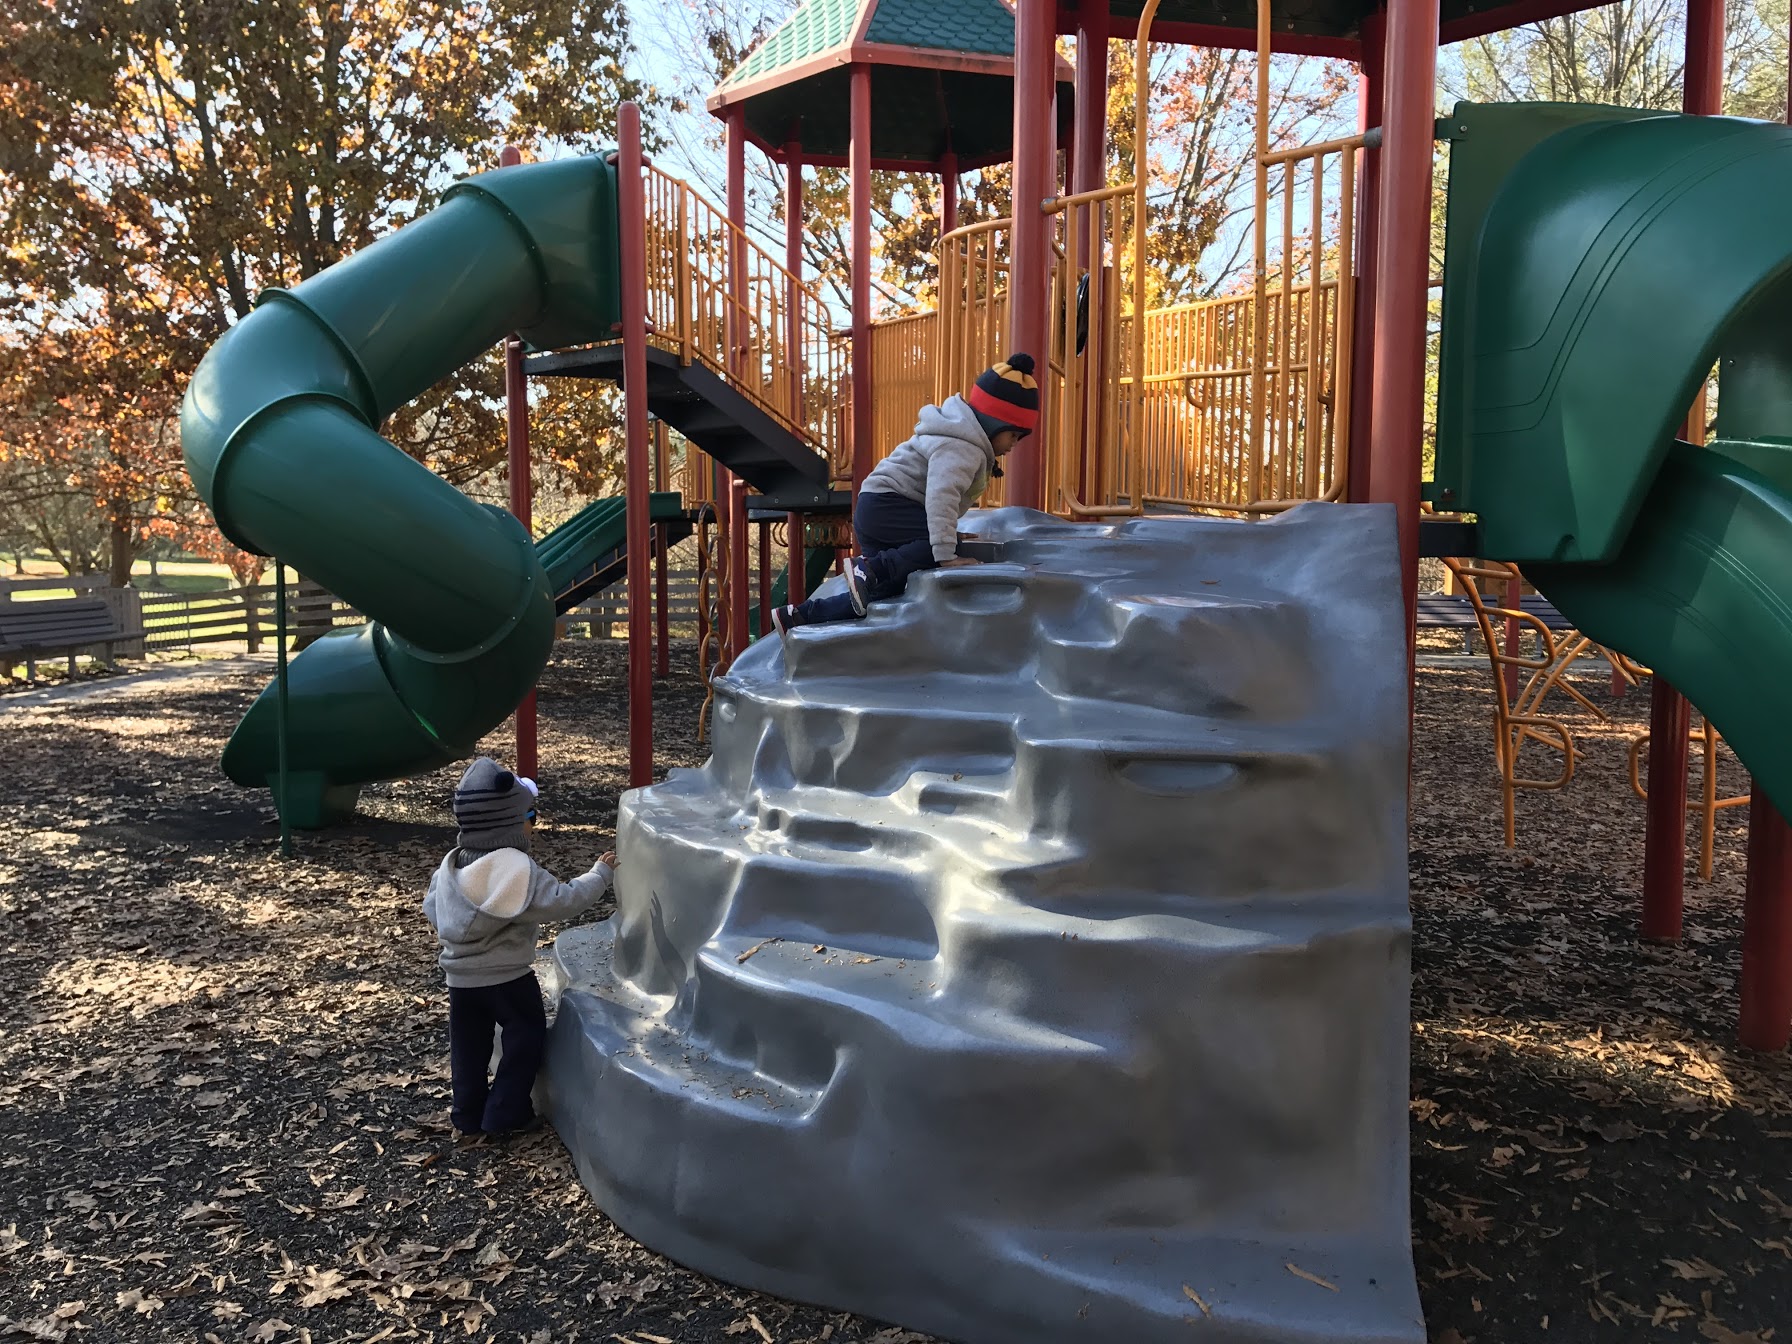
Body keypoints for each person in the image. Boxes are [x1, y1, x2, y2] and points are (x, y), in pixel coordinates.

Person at [771, 352, 1039, 635]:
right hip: (889, 504)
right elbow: (942, 497)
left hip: (878, 507)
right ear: (993, 422)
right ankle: (869, 569)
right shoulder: (963, 447)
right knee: (934, 550)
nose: (1014, 445)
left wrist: (951, 536)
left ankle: (801, 616)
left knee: (882, 592)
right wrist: (948, 551)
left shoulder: (961, 440)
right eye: (1013, 434)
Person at [422, 757, 616, 1141]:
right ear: (511, 822)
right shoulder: (515, 868)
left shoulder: (451, 867)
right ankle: (505, 1113)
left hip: (460, 980)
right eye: (532, 815)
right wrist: (600, 875)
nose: (533, 824)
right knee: (525, 1039)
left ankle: (467, 1115)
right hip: (508, 977)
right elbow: (563, 900)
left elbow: (433, 908)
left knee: (468, 1051)